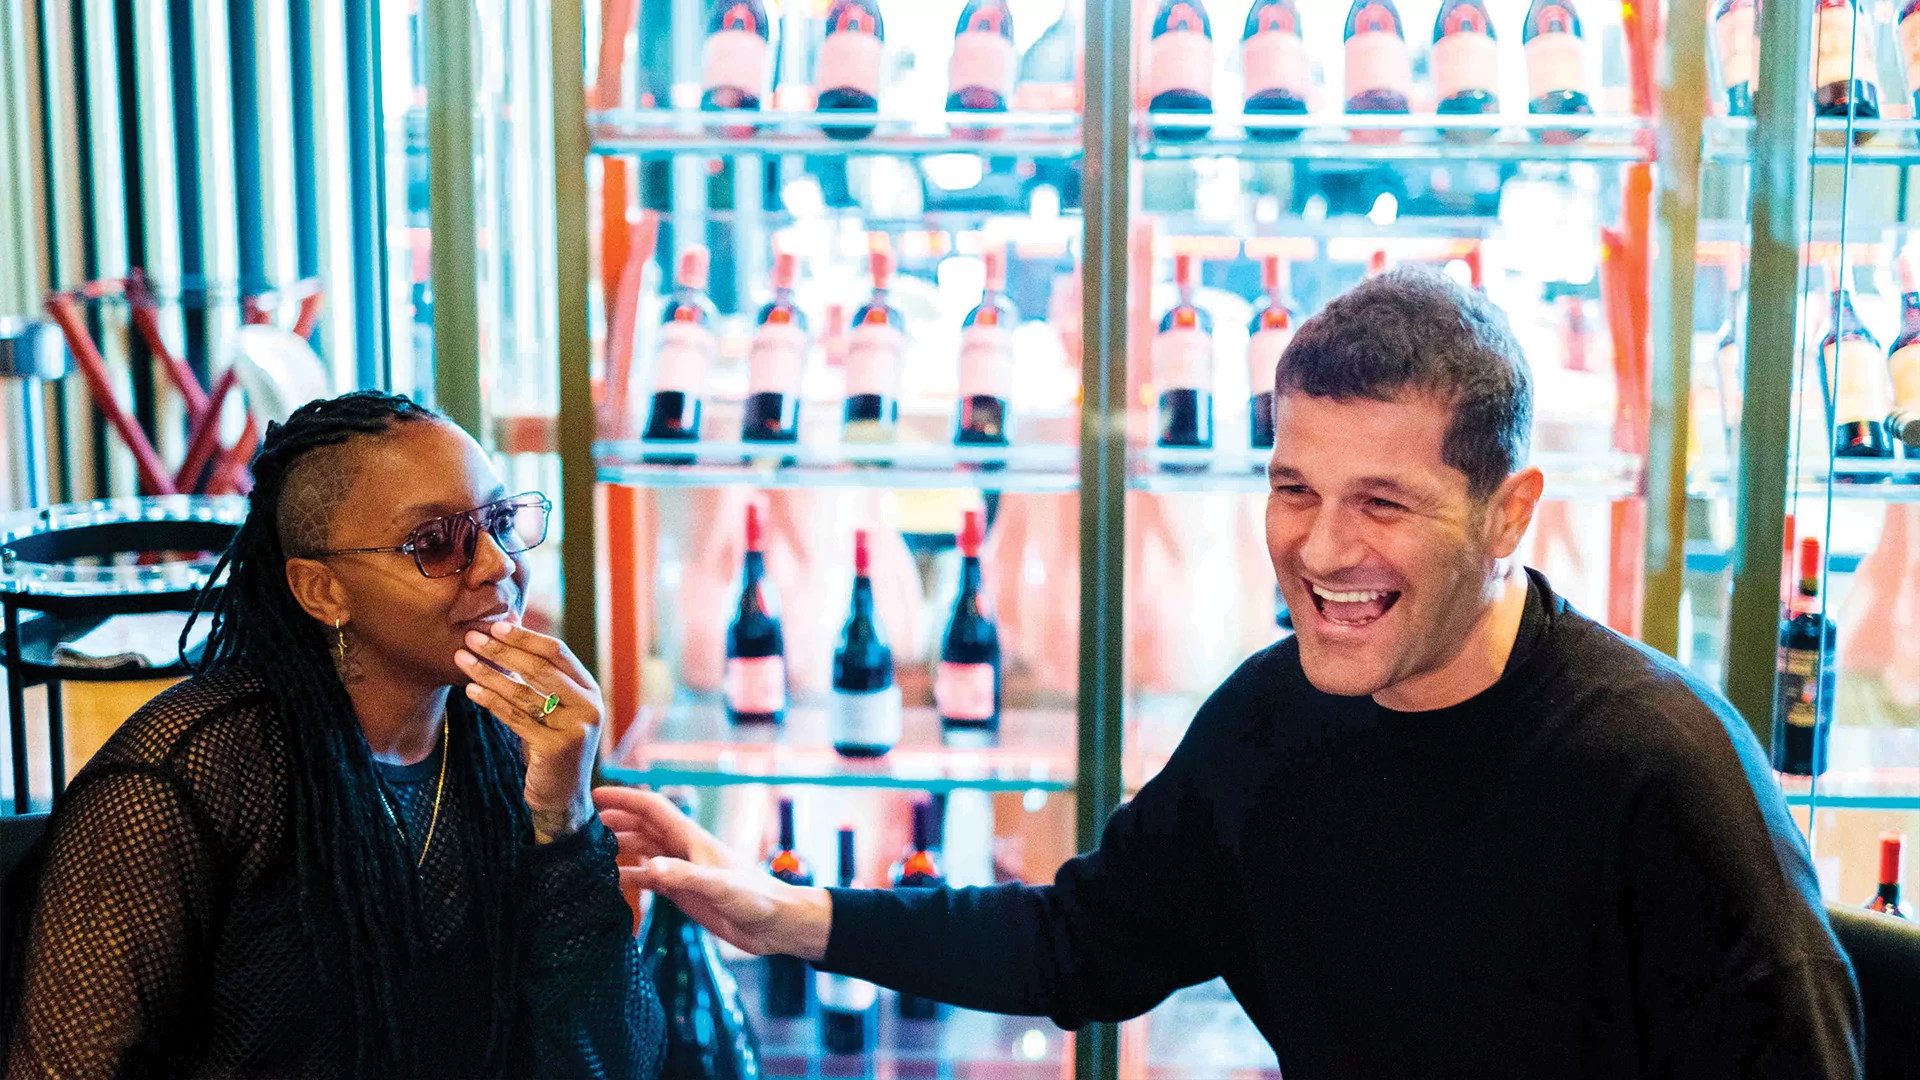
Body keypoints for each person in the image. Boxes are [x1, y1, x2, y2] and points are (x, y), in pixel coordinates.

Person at [596, 269, 1865, 1077]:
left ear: (1509, 511)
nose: (1320, 549)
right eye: (1293, 488)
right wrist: (779, 912)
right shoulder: (1274, 718)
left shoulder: (1660, 768)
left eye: (1383, 502)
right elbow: (1076, 944)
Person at [1, 392, 663, 1079]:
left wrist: (565, 819)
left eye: (498, 520)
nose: (497, 564)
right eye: (436, 542)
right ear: (322, 591)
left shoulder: (506, 748)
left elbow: (612, 1060)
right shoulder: (184, 779)